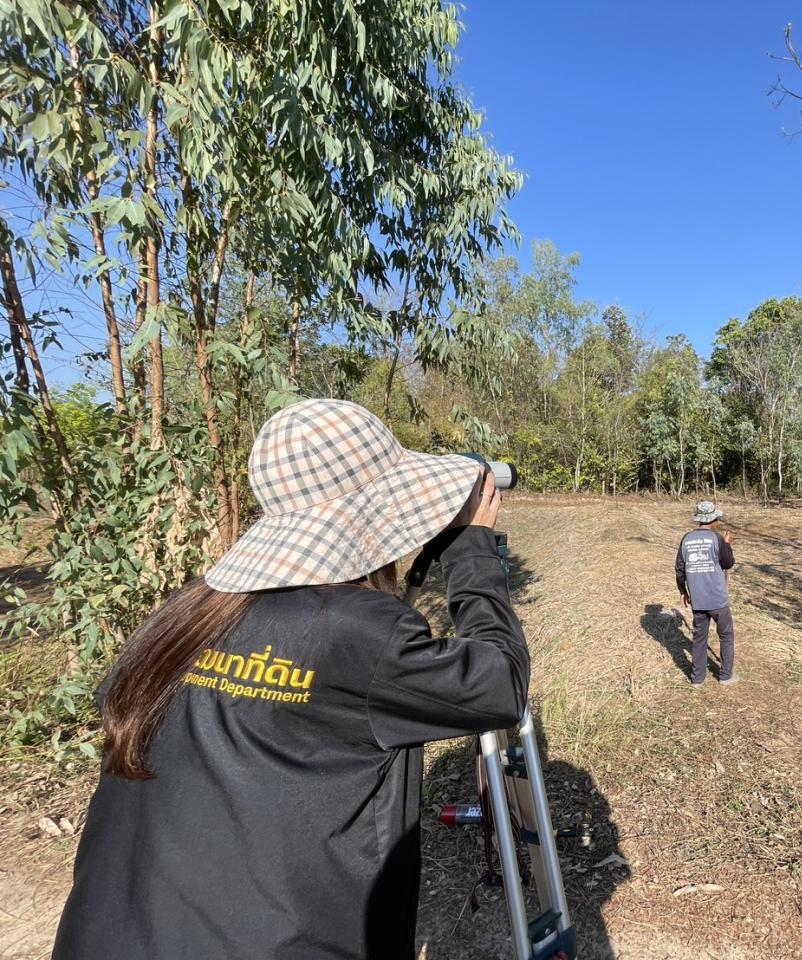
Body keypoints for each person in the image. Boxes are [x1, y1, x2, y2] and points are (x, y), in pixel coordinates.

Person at [53, 399, 529, 960]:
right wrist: (469, 545)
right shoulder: (360, 633)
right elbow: (499, 683)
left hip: (109, 934)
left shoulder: (182, 617)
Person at [675, 500, 738, 686]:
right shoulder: (717, 538)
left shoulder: (686, 539)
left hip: (698, 599)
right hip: (718, 599)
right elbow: (728, 563)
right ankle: (726, 676)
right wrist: (727, 545)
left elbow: (679, 568)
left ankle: (697, 679)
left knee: (699, 638)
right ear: (713, 520)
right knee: (726, 635)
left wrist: (682, 590)